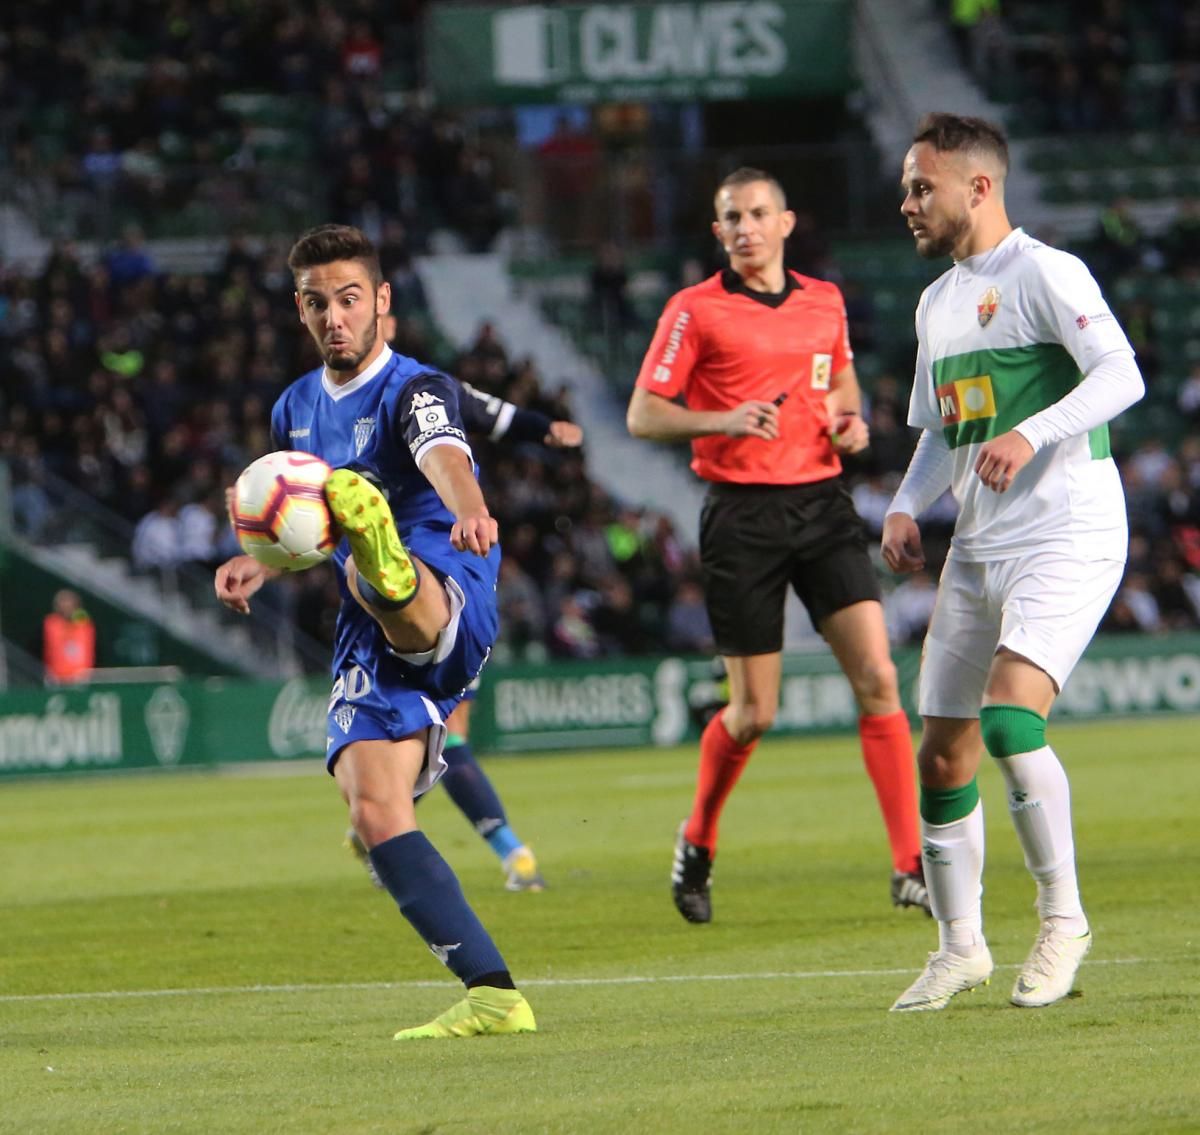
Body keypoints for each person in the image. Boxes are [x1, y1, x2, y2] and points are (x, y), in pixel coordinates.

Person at [214, 224, 535, 1040]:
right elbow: (301, 530)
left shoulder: (416, 387)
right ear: (300, 309)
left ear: (383, 302)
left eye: (351, 298)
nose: (335, 317)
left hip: (447, 581)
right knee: (372, 810)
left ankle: (381, 549)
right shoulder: (296, 406)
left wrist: (471, 512)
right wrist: (263, 562)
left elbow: (444, 455)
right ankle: (494, 994)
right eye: (318, 303)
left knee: (369, 555)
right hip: (365, 624)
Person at [884, 113, 1144, 1012]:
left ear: (979, 188)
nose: (907, 202)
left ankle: (1063, 919)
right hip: (979, 542)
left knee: (1008, 724)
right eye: (908, 187)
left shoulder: (1045, 272)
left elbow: (1121, 375)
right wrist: (904, 505)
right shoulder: (937, 301)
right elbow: (937, 432)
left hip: (1066, 529)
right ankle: (960, 948)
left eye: (923, 186)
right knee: (942, 752)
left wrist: (1032, 432)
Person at [626, 166, 928, 925]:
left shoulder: (824, 301)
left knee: (880, 679)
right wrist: (721, 421)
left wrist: (852, 424)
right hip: (742, 518)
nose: (747, 227)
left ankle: (908, 864)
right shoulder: (694, 312)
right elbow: (644, 415)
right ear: (718, 232)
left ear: (787, 222)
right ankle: (697, 838)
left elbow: (842, 386)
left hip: (821, 503)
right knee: (754, 712)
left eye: (759, 213)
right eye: (733, 217)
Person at [344, 308, 584, 893]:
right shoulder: (321, 408)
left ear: (390, 324)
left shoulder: (425, 388)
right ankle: (390, 823)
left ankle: (500, 850)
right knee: (417, 732)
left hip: (443, 573)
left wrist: (541, 428)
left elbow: (487, 412)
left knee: (446, 733)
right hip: (377, 588)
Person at [42, 588, 95, 684]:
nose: (67, 607)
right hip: (56, 676)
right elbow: (54, 643)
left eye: (69, 604)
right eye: (63, 604)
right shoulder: (51, 623)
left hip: (80, 676)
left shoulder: (84, 625)